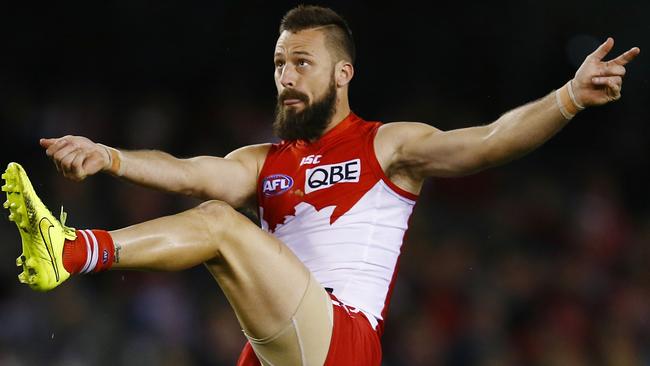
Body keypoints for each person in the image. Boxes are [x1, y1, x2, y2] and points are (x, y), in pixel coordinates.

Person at [2, 5, 640, 366]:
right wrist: (107, 155)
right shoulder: (266, 159)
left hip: (344, 341)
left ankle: (73, 251)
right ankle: (71, 251)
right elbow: (191, 170)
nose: (284, 75)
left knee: (222, 224)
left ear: (342, 73)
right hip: (277, 345)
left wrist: (568, 99)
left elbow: (490, 140)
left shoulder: (388, 144)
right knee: (215, 212)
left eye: (300, 62)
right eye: (279, 63)